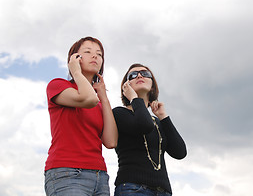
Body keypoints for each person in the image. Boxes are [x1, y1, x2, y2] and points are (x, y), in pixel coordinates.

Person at [44, 37, 118, 196]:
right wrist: (76, 72)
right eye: (88, 52)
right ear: (75, 59)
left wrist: (104, 97)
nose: (95, 56)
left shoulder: (98, 102)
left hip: (100, 176)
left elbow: (111, 141)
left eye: (99, 54)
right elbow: (88, 99)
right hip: (68, 172)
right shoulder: (58, 86)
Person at [112, 63, 187, 196]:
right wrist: (134, 98)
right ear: (126, 86)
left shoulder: (157, 121)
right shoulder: (119, 113)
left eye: (145, 73)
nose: (139, 75)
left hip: (163, 191)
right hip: (133, 188)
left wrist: (163, 117)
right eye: (133, 75)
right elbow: (144, 126)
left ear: (152, 85)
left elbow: (180, 152)